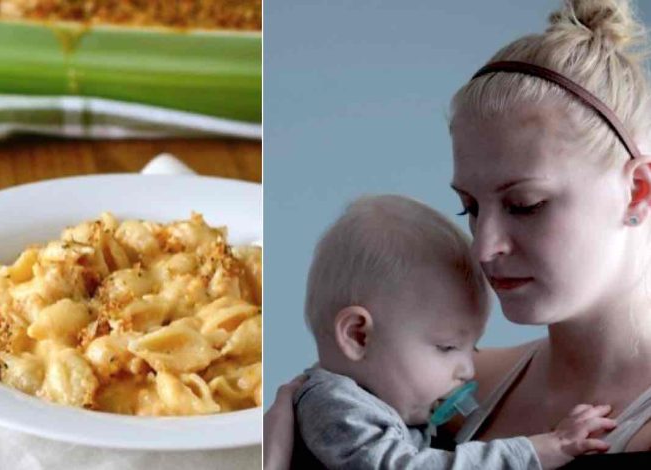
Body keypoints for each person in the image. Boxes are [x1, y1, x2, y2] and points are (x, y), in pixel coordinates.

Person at [264, 0, 651, 467]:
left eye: (524, 205)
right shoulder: (431, 387)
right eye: (469, 207)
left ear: (638, 191)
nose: (484, 248)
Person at [292, 195, 616, 469]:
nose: (468, 370)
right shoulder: (335, 409)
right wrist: (540, 450)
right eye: (447, 347)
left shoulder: (384, 406)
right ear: (358, 336)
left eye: (471, 349)